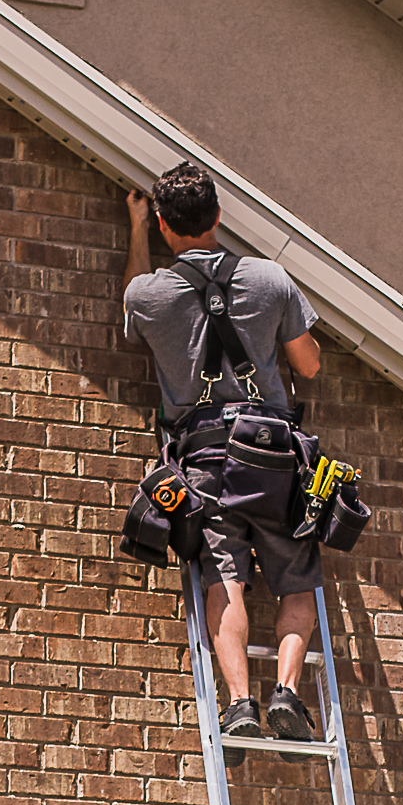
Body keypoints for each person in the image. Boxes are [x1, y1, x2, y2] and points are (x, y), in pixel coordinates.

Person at [124, 162, 326, 742]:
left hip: (206, 457)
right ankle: (286, 691)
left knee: (225, 581)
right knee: (295, 581)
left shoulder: (151, 294)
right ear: (218, 216)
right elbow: (308, 365)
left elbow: (132, 300)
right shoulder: (269, 280)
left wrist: (137, 230)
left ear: (165, 225)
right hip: (275, 455)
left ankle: (239, 702)